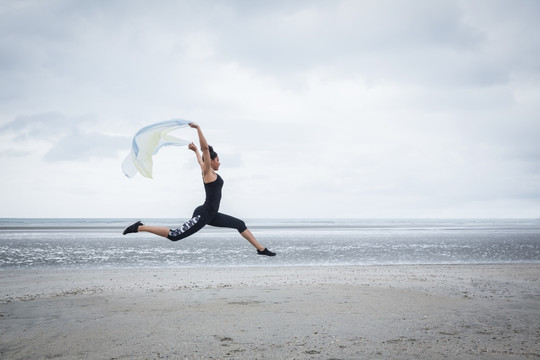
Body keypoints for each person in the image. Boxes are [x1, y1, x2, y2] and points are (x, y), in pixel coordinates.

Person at [123, 122, 276, 256]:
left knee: (240, 224)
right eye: (217, 160)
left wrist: (195, 151)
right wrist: (198, 129)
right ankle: (139, 227)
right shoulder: (207, 172)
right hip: (203, 214)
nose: (219, 163)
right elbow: (205, 150)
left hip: (212, 214)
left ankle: (261, 249)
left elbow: (200, 159)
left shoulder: (208, 171)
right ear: (211, 161)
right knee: (175, 235)